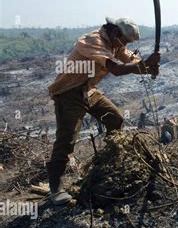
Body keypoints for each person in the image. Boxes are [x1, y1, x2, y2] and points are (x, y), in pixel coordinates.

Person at [46, 17, 160, 205]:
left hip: (88, 90)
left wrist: (148, 67)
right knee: (67, 140)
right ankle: (56, 189)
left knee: (115, 119)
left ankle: (110, 161)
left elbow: (131, 61)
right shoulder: (92, 41)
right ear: (115, 32)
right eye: (125, 41)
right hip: (68, 92)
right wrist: (145, 64)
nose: (125, 45)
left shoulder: (116, 42)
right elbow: (116, 69)